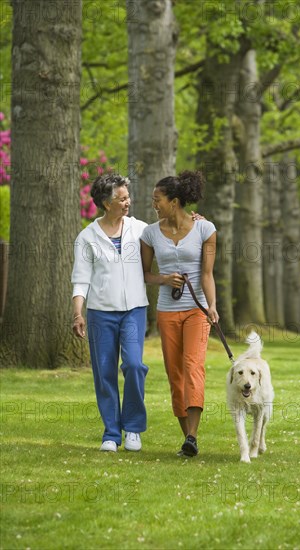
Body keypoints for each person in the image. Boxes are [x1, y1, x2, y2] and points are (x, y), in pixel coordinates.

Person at [140, 170, 219, 457]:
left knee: (193, 367)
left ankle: (193, 435)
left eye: (157, 199)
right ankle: (188, 438)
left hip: (196, 311)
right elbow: (146, 275)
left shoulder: (205, 229)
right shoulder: (149, 233)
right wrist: (163, 279)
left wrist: (212, 306)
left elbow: (208, 274)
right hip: (167, 311)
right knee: (175, 374)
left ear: (174, 201)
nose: (154, 204)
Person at [71, 173, 149, 452]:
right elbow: (81, 279)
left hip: (134, 310)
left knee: (133, 365)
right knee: (104, 373)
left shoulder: (139, 228)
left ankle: (134, 428)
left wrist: (192, 221)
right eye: (122, 198)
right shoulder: (86, 237)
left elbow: (168, 232)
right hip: (100, 313)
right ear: (106, 203)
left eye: (128, 197)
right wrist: (78, 313)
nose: (128, 202)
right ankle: (111, 434)